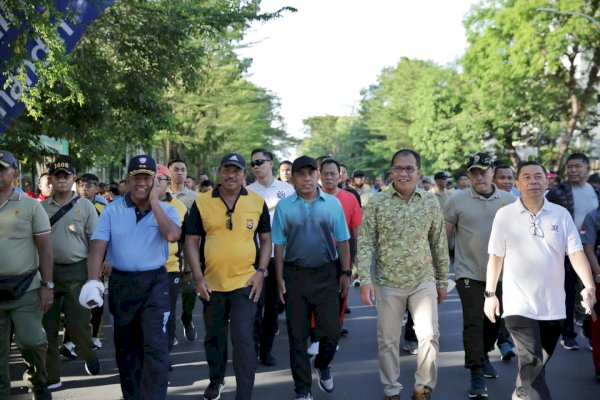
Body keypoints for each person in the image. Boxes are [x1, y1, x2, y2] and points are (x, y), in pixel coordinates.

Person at [484, 161, 596, 400]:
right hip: (518, 305)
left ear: (547, 182)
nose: (533, 181)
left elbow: (575, 252)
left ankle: (522, 392)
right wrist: (490, 294)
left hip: (553, 305)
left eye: (538, 176)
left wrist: (588, 286)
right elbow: (496, 256)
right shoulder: (504, 215)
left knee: (537, 362)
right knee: (532, 359)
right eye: (527, 177)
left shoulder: (560, 214)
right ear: (517, 184)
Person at [83, 154, 181, 400]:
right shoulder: (112, 209)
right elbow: (97, 245)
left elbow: (172, 236)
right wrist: (93, 280)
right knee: (127, 347)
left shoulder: (168, 209)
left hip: (155, 283)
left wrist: (155, 202)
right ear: (128, 179)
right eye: (137, 177)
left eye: (147, 178)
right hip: (122, 283)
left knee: (155, 344)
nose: (142, 183)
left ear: (154, 181)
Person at [356, 149, 449, 400]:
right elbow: (365, 243)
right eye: (398, 168)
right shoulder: (378, 202)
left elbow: (439, 243)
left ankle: (423, 389)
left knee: (429, 336)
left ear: (418, 172)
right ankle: (391, 390)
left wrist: (442, 281)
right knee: (387, 340)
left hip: (423, 280)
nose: (403, 173)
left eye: (409, 168)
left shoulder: (430, 202)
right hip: (388, 282)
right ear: (391, 172)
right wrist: (365, 279)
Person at [185, 152, 271, 400]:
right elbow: (191, 242)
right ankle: (216, 379)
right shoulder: (201, 202)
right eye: (226, 170)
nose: (231, 175)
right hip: (211, 284)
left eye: (237, 170)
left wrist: (261, 273)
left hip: (246, 283)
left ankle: (244, 394)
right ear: (219, 173)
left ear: (245, 174)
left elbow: (266, 240)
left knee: (243, 339)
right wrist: (199, 278)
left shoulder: (256, 202)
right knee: (214, 338)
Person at [273, 155, 350, 400]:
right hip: (295, 275)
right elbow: (278, 245)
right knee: (297, 336)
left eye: (310, 174)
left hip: (327, 273)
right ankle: (303, 389)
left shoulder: (332, 204)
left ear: (316, 175)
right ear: (293, 178)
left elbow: (343, 241)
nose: (306, 179)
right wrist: (279, 278)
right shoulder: (285, 207)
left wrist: (346, 273)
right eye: (301, 175)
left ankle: (323, 363)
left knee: (331, 332)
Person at [444, 152, 516, 398]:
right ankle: (476, 373)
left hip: (503, 275)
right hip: (468, 273)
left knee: (494, 322)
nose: (478, 177)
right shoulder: (457, 201)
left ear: (492, 172)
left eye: (483, 172)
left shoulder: (508, 200)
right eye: (473, 172)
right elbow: (445, 237)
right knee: (474, 321)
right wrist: (440, 268)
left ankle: (484, 353)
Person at [41, 158, 101, 389]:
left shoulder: (85, 206)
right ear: (52, 180)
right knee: (48, 328)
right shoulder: (41, 208)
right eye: (58, 175)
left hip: (78, 271)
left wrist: (94, 276)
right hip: (48, 273)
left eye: (67, 175)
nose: (62, 179)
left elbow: (95, 242)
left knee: (78, 325)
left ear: (73, 179)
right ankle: (51, 376)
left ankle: (89, 354)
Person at [0, 150, 54, 400]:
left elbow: (44, 247)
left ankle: (38, 381)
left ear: (15, 173)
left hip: (25, 287)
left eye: (3, 169)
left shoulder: (30, 205)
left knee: (32, 342)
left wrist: (47, 285)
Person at [546, 152, 599, 350]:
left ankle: (589, 328)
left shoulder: (595, 191)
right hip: (565, 251)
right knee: (567, 293)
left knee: (591, 291)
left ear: (587, 168)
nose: (573, 170)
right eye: (570, 167)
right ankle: (567, 334)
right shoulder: (557, 192)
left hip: (590, 249)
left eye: (578, 166)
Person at [247, 149, 295, 367]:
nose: (256, 166)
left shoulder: (287, 189)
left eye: (260, 162)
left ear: (271, 164)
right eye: (253, 163)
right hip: (253, 257)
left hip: (279, 256)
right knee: (253, 305)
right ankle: (252, 347)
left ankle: (266, 350)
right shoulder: (246, 192)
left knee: (273, 306)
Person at [319, 158, 362, 337]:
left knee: (341, 292)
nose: (329, 178)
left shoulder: (350, 198)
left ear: (340, 176)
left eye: (333, 174)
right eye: (325, 174)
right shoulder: (311, 197)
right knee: (320, 295)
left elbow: (356, 229)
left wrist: (358, 255)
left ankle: (335, 327)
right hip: (317, 253)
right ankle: (319, 331)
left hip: (343, 252)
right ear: (319, 176)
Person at [153, 165, 188, 362]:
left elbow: (186, 239)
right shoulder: (135, 205)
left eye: (161, 180)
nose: (156, 184)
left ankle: (164, 358)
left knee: (168, 311)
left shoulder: (179, 207)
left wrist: (189, 269)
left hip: (171, 268)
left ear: (168, 183)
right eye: (154, 180)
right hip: (144, 270)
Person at [168, 158, 199, 342]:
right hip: (169, 256)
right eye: (176, 169)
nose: (180, 173)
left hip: (189, 254)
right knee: (167, 299)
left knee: (189, 293)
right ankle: (169, 332)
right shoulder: (161, 195)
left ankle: (186, 320)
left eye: (183, 169)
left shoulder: (195, 198)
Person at [577, 205, 600, 382]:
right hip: (599, 278)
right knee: (597, 325)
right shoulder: (593, 216)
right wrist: (598, 273)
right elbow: (588, 248)